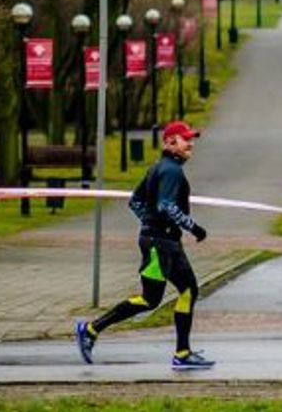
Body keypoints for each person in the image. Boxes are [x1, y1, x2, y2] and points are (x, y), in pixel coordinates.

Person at [74, 121, 213, 370]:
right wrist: (194, 228)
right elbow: (166, 207)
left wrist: (149, 225)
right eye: (185, 139)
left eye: (191, 139)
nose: (191, 143)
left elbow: (135, 202)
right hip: (162, 244)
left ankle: (92, 329)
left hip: (158, 241)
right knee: (181, 291)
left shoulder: (157, 168)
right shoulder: (171, 171)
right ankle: (181, 354)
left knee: (159, 297)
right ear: (170, 142)